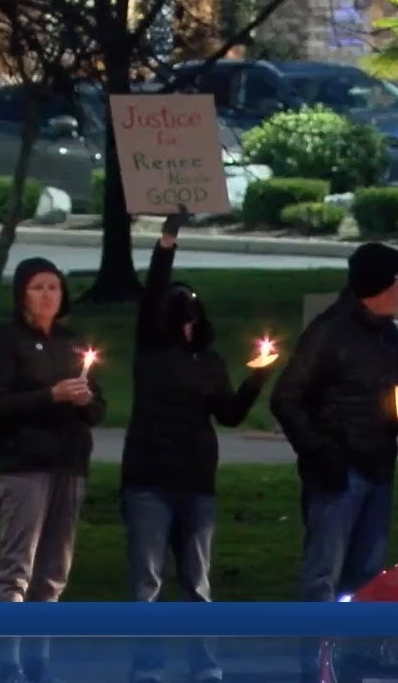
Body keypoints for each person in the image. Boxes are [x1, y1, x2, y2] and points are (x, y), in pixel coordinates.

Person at [121, 214, 274, 683]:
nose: (186, 320)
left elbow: (227, 414)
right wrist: (167, 242)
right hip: (150, 476)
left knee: (197, 581)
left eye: (192, 312)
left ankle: (202, 661)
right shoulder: (150, 351)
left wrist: (256, 379)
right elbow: (152, 296)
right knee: (148, 581)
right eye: (178, 311)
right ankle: (147, 663)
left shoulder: (209, 363)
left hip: (195, 479)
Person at [269, 242, 398, 604]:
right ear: (382, 284)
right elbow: (286, 398)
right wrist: (319, 451)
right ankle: (316, 656)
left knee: (366, 574)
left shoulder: (388, 332)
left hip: (379, 466)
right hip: (339, 472)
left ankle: (351, 654)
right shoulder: (329, 333)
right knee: (325, 573)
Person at [0, 256, 107, 683]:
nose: (47, 294)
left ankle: (39, 659)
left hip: (70, 465)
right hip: (25, 464)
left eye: (54, 286)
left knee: (54, 571)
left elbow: (99, 408)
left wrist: (84, 399)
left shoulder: (74, 343)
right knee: (18, 566)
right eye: (38, 287)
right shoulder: (7, 340)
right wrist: (50, 396)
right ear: (22, 295)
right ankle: (7, 660)